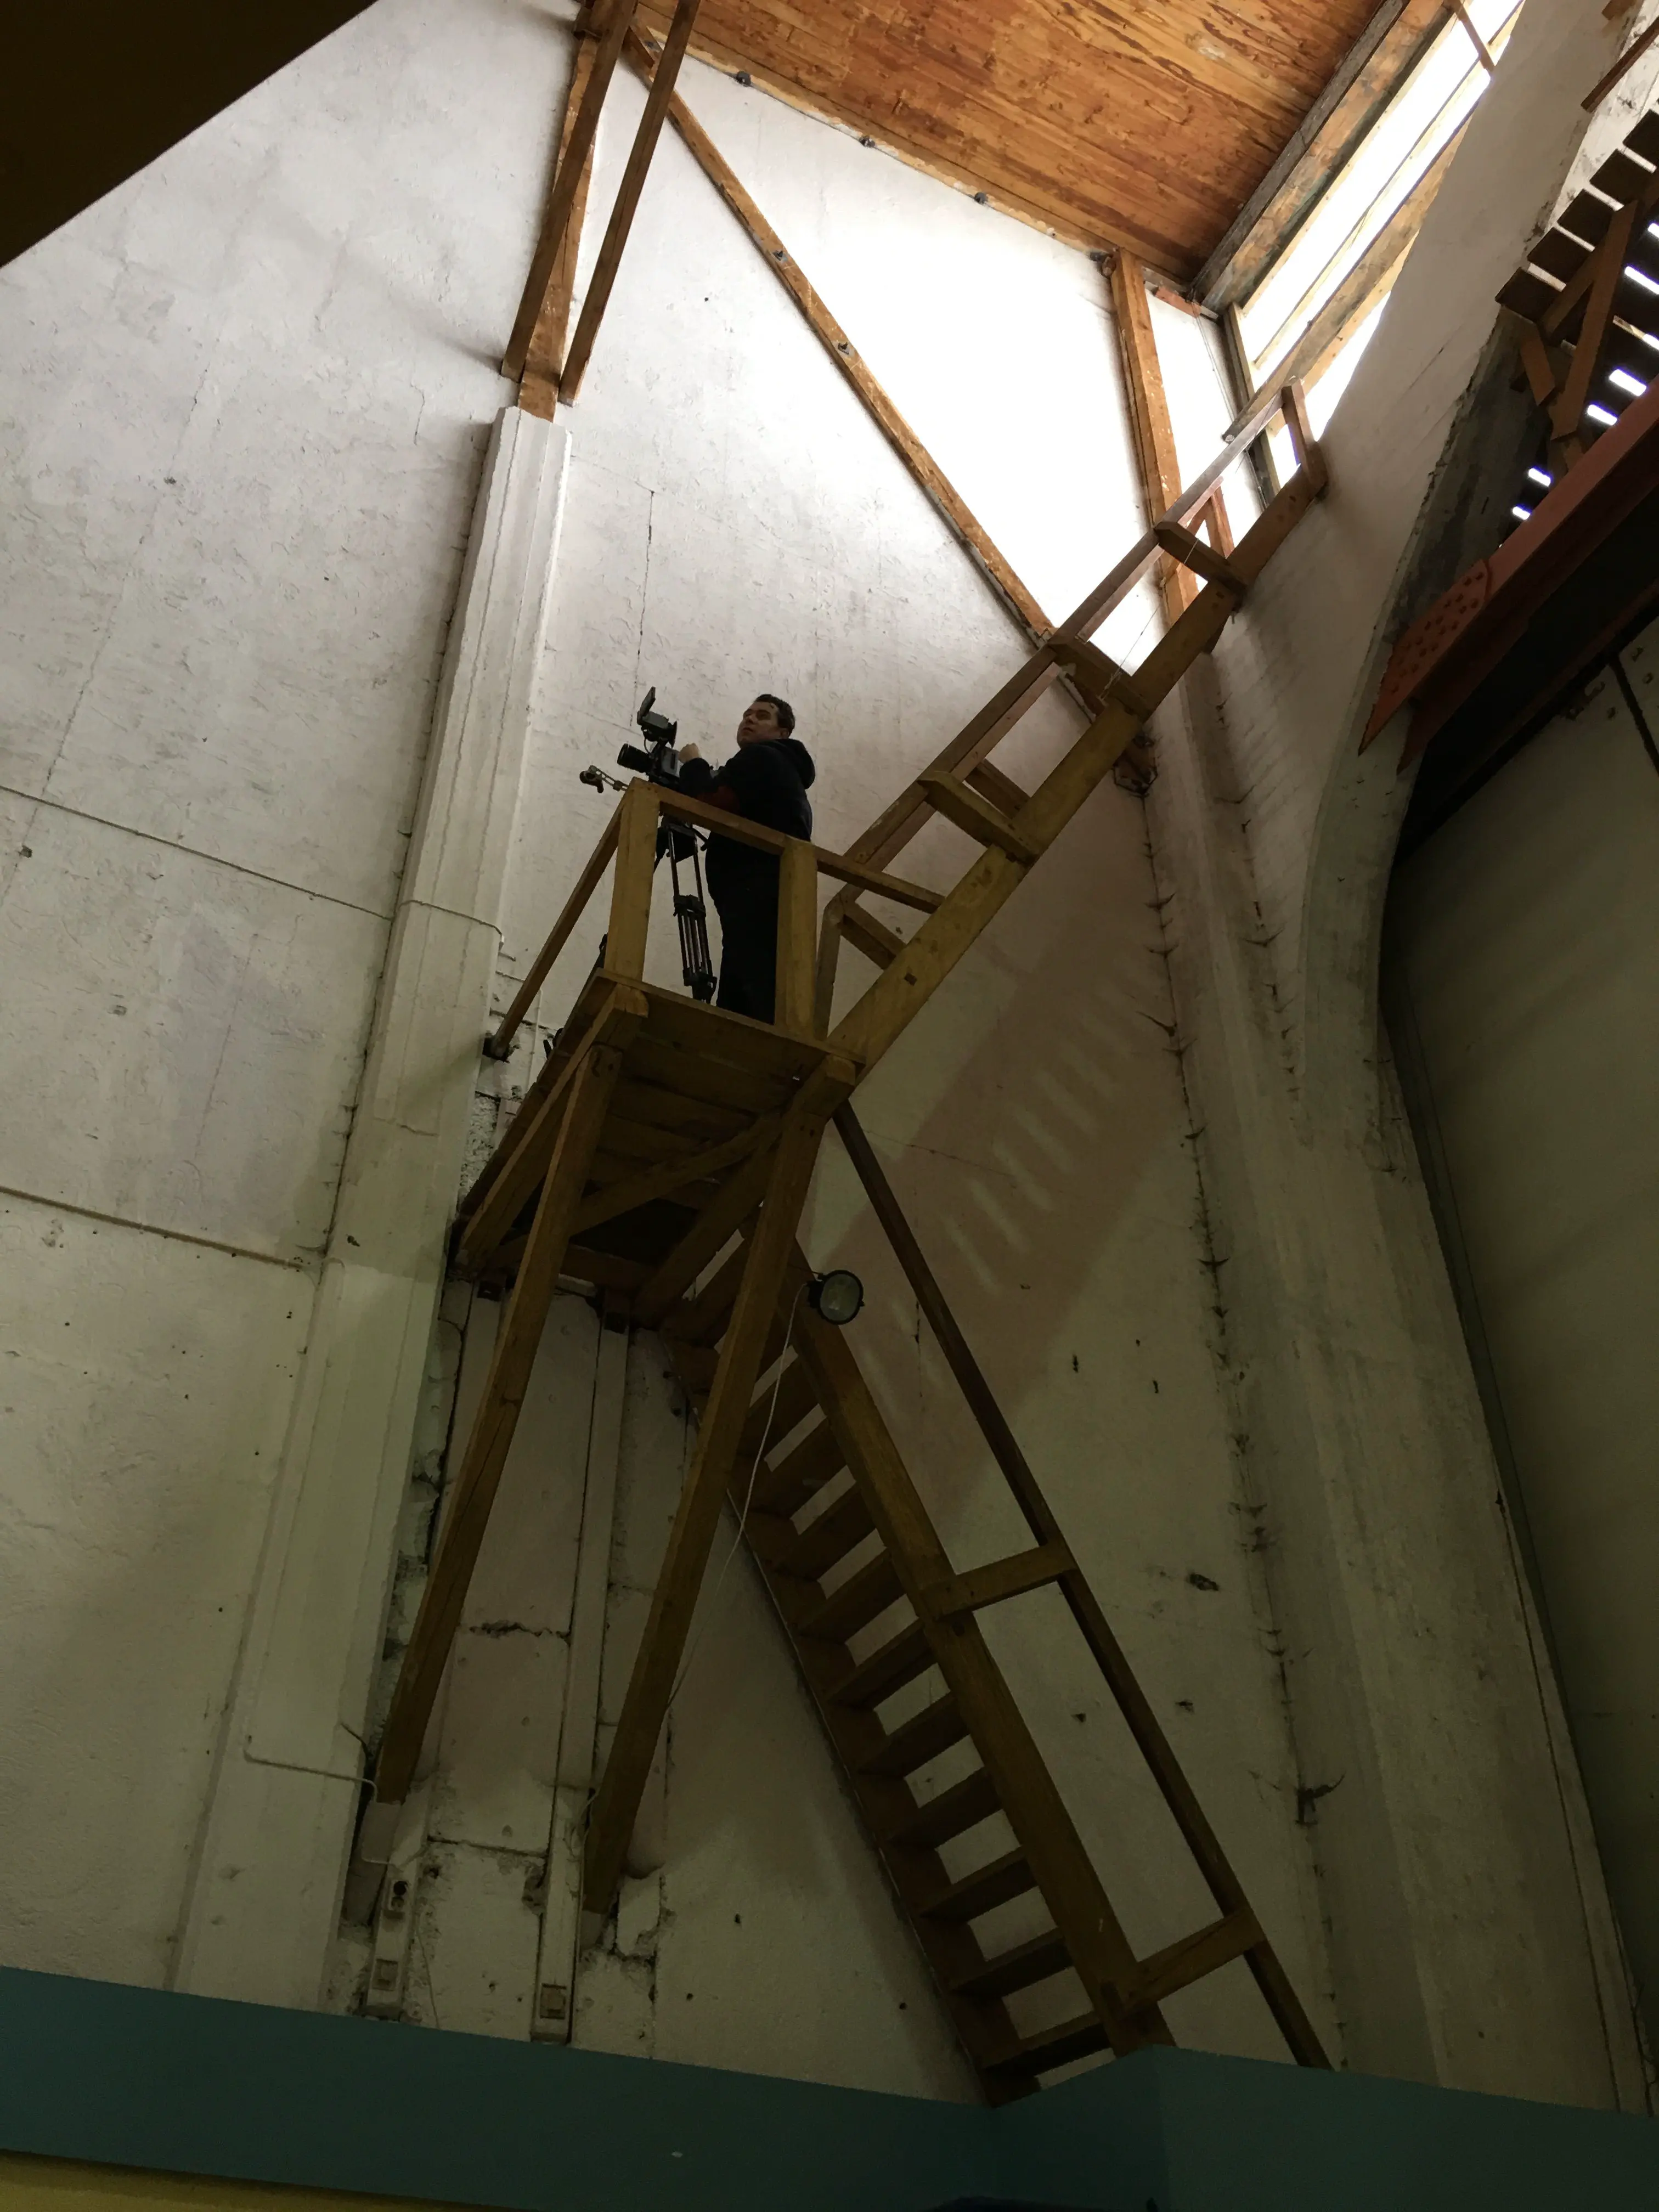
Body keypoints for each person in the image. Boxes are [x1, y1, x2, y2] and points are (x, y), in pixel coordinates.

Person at [676, 693, 814, 1024]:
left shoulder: (764, 758)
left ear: (784, 733)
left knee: (747, 996)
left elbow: (708, 801)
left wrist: (692, 763)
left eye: (762, 716)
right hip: (768, 896)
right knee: (753, 989)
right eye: (747, 714)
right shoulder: (783, 770)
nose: (749, 719)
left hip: (754, 893)